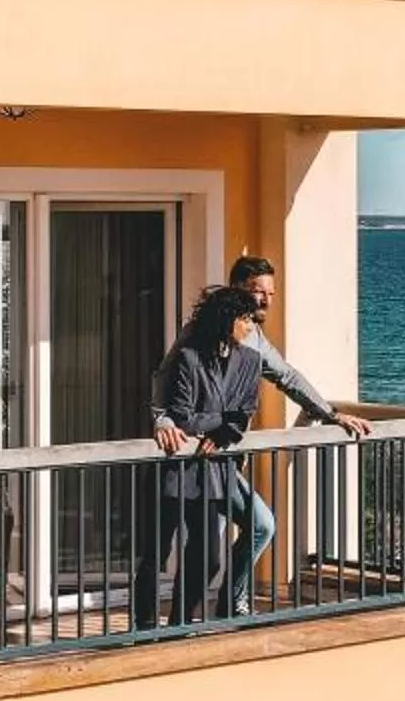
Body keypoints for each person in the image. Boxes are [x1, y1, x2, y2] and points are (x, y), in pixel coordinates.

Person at [223, 255, 369, 613]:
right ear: (238, 289)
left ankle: (227, 602)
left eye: (271, 293)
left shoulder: (255, 337)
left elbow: (287, 376)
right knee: (253, 527)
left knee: (251, 529)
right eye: (259, 292)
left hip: (226, 457)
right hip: (199, 454)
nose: (267, 301)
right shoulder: (211, 332)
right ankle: (213, 609)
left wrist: (331, 413)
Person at [134, 283, 265, 628]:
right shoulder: (189, 357)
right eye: (245, 318)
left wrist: (224, 431)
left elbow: (246, 411)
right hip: (172, 468)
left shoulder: (251, 361)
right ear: (227, 319)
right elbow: (183, 417)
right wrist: (224, 422)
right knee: (155, 553)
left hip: (211, 472)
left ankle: (180, 621)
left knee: (208, 556)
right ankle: (144, 626)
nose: (250, 326)